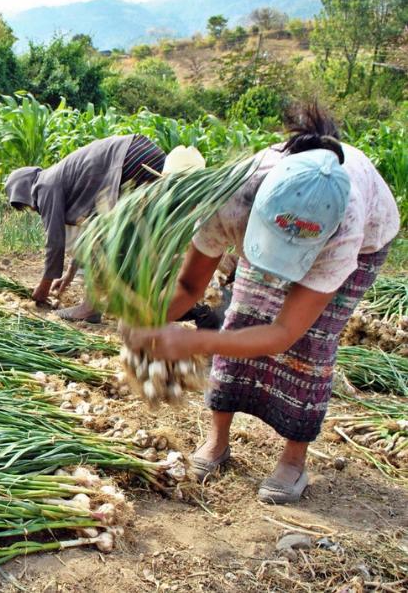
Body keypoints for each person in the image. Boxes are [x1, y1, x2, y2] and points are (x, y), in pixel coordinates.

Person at [124, 104, 400, 504]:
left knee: (312, 346)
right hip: (269, 218)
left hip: (362, 241)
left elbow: (284, 334)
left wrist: (192, 343)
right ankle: (217, 441)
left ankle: (293, 462)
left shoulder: (347, 223)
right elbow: (188, 285)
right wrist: (146, 319)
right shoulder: (234, 196)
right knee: (239, 317)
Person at [5, 135, 204, 321]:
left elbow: (55, 241)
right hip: (140, 152)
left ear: (23, 191)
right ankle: (188, 307)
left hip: (128, 159)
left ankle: (90, 307)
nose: (32, 209)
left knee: (107, 237)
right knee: (135, 238)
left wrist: (43, 288)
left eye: (26, 206)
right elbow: (88, 228)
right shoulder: (60, 178)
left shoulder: (43, 186)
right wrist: (69, 274)